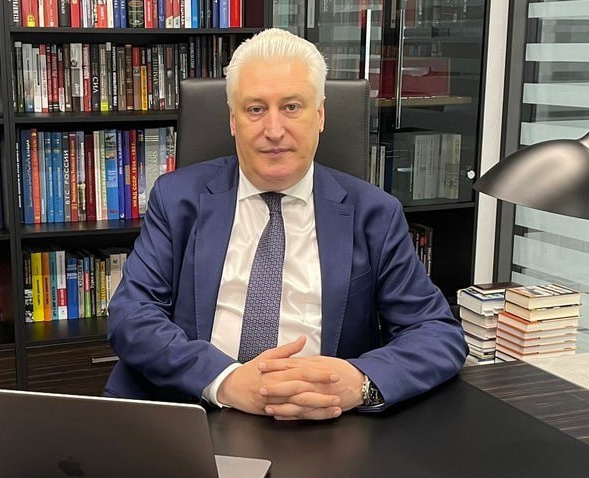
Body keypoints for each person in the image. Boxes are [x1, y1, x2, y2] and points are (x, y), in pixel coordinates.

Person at [105, 28, 467, 420]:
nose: (274, 131)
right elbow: (132, 315)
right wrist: (226, 381)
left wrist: (360, 382)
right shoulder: (177, 198)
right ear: (233, 120)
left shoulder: (374, 213)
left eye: (292, 107)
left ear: (320, 115)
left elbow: (436, 332)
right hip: (196, 409)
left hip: (322, 421)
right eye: (255, 109)